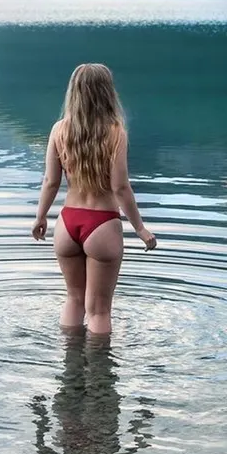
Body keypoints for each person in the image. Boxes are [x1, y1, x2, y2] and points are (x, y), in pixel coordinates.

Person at [31, 63, 156, 335]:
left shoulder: (59, 130)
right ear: (107, 92)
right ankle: (100, 375)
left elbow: (51, 181)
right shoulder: (115, 133)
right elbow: (121, 187)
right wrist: (140, 229)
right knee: (99, 310)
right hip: (102, 224)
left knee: (74, 300)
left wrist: (41, 217)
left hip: (67, 225)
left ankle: (70, 370)